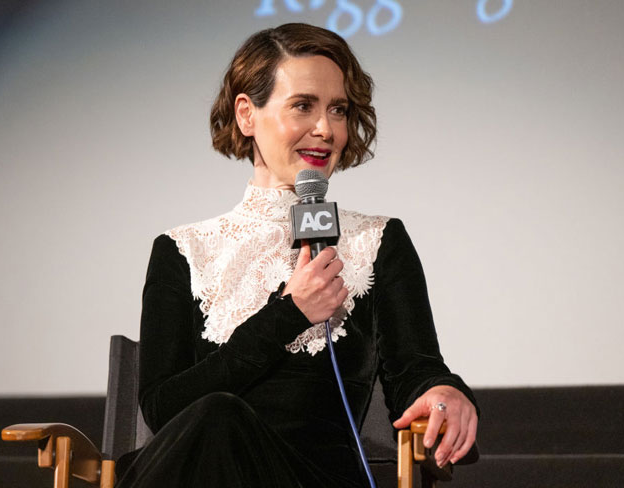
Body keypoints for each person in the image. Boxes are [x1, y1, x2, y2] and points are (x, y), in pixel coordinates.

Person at [116, 23, 479, 488]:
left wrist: (446, 391)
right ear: (247, 115)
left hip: (312, 478)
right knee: (217, 417)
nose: (325, 129)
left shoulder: (377, 240)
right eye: (303, 106)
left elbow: (415, 370)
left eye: (339, 110)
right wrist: (289, 314)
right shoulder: (182, 250)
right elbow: (164, 409)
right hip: (204, 461)